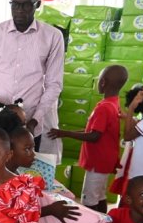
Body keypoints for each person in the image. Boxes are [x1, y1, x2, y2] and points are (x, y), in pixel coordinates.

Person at [0, 0, 65, 158]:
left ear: (37, 4)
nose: (20, 10)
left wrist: (35, 120)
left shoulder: (52, 36)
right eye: (15, 4)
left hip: (30, 119)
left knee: (27, 169)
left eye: (26, 5)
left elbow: (54, 84)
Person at [48, 65, 127, 212]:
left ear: (103, 82)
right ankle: (104, 222)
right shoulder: (114, 103)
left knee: (89, 199)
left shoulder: (104, 108)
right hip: (104, 161)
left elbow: (94, 136)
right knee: (100, 195)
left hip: (97, 162)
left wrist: (66, 133)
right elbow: (94, 131)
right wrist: (64, 132)